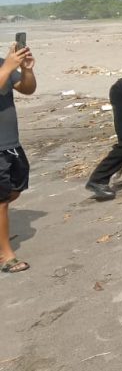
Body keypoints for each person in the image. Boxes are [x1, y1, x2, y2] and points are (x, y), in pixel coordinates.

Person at [0, 42, 36, 273]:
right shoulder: (4, 66)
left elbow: (27, 89)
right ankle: (6, 256)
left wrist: (27, 69)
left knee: (16, 188)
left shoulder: (3, 63)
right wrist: (7, 68)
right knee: (1, 201)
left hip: (10, 143)